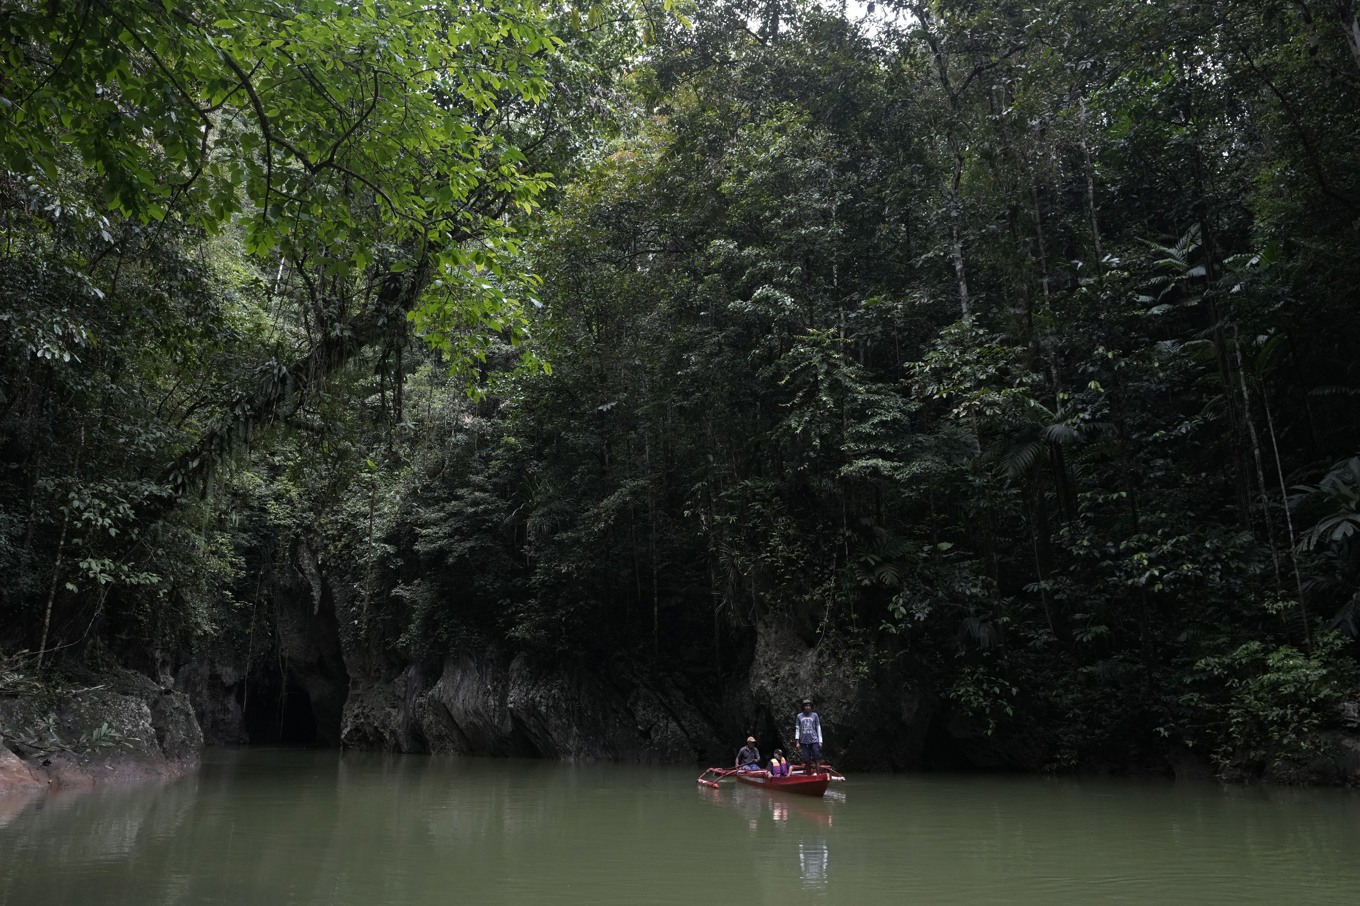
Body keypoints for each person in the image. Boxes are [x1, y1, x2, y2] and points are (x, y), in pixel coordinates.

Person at [794, 699, 823, 771]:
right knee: (806, 759)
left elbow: (818, 728)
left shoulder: (815, 715)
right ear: (803, 707)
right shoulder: (799, 716)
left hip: (814, 740)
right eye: (806, 706)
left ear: (811, 707)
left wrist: (820, 741)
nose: (808, 707)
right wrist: (797, 742)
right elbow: (797, 729)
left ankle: (818, 774)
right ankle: (809, 775)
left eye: (809, 706)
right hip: (804, 741)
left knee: (817, 758)